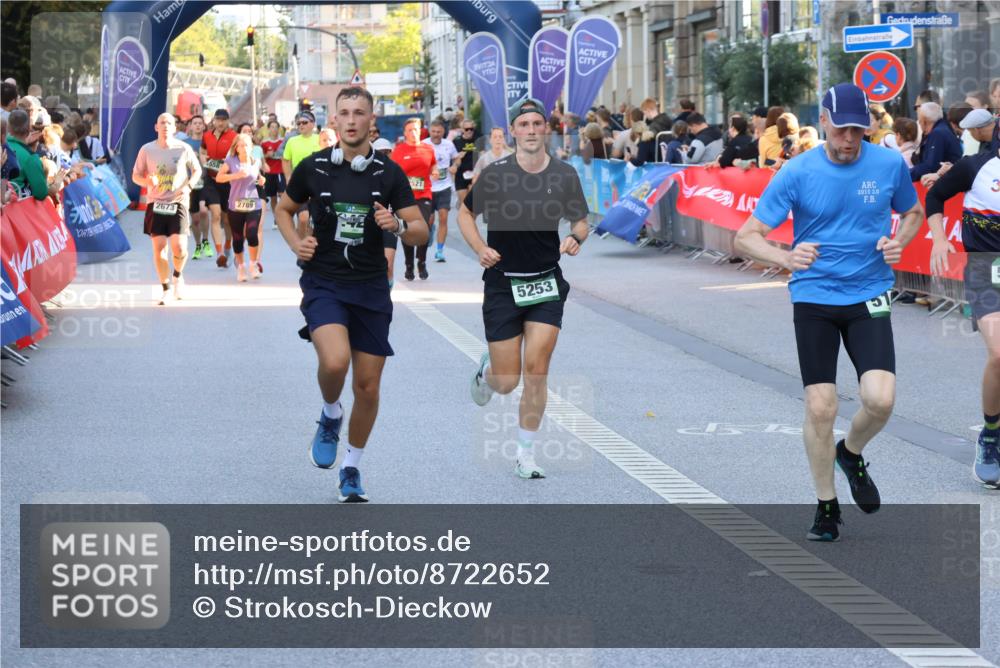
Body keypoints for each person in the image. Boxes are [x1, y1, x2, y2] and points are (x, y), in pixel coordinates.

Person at [734, 83, 925, 542]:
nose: (849, 139)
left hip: (869, 293)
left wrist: (900, 242)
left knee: (880, 400)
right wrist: (785, 258)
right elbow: (746, 236)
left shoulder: (887, 163)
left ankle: (851, 451)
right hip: (815, 296)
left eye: (858, 130)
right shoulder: (797, 171)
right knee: (821, 405)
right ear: (823, 121)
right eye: (841, 130)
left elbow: (914, 212)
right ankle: (826, 505)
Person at [273, 87, 429, 503]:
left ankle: (352, 467)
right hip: (324, 281)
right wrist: (295, 244)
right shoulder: (314, 167)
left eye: (360, 112)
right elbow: (283, 210)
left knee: (367, 386)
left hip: (371, 287)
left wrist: (395, 224)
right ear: (335, 121)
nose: (353, 119)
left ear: (371, 120)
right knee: (335, 360)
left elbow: (420, 230)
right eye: (345, 112)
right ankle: (329, 413)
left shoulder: (389, 173)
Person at [459, 98, 590, 480]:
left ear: (544, 129)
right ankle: (488, 371)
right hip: (503, 284)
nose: (531, 130)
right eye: (524, 124)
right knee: (506, 382)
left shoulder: (564, 175)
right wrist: (480, 248)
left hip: (546, 282)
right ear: (513, 131)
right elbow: (467, 213)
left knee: (537, 369)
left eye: (537, 123)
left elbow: (581, 221)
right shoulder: (497, 174)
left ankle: (526, 454)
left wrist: (575, 237)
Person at [925, 142, 1000, 485]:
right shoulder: (976, 166)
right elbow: (935, 196)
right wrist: (939, 238)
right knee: (999, 354)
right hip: (987, 272)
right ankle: (990, 434)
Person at [132, 113, 202, 305]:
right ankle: (165, 288)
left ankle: (178, 276)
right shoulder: (146, 150)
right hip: (155, 203)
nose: (165, 126)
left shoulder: (184, 148)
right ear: (156, 127)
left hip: (178, 202)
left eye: (169, 123)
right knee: (160, 249)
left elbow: (197, 171)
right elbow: (135, 176)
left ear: (175, 128)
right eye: (162, 123)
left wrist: (188, 187)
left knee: (180, 248)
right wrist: (146, 181)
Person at [390, 117, 437, 281]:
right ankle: (409, 264)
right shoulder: (399, 150)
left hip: (424, 194)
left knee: (424, 228)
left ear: (420, 131)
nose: (413, 133)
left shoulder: (428, 149)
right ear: (405, 133)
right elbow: (392, 173)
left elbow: (433, 166)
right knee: (407, 229)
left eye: (415, 129)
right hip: (404, 197)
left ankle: (421, 261)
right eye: (409, 130)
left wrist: (436, 171)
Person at [215, 133, 266, 282]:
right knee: (237, 238)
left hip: (253, 203)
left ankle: (253, 264)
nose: (244, 148)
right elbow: (219, 177)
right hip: (235, 205)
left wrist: (262, 180)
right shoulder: (230, 161)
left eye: (247, 145)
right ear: (236, 148)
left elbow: (258, 177)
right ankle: (242, 267)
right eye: (241, 145)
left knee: (251, 234)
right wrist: (235, 176)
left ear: (252, 147)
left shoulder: (256, 161)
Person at [201, 109, 238, 267]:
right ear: (214, 120)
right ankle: (220, 253)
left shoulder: (234, 137)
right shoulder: (207, 135)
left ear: (228, 121)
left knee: (227, 219)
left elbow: (239, 156)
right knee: (215, 215)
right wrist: (204, 161)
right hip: (211, 180)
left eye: (224, 120)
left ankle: (228, 247)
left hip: (229, 182)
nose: (221, 123)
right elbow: (202, 151)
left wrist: (227, 161)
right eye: (218, 120)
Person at [423, 119, 461, 263]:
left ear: (443, 132)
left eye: (439, 132)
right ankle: (430, 228)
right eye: (434, 131)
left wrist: (455, 166)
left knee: (443, 218)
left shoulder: (448, 144)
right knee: (429, 220)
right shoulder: (424, 144)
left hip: (444, 186)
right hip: (428, 188)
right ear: (430, 131)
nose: (436, 134)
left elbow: (456, 159)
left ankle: (439, 251)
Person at [282, 110, 322, 237]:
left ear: (313, 124)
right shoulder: (292, 141)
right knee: (303, 217)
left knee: (317, 219)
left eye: (304, 122)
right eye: (298, 123)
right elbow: (286, 160)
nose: (301, 125)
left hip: (319, 185)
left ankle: (310, 242)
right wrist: (288, 177)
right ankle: (300, 245)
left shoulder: (321, 139)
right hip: (300, 184)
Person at [5, 109, 57, 201]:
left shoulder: (3, 145)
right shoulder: (30, 158)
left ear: (8, 127)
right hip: (15, 209)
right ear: (29, 129)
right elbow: (41, 193)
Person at [180, 115, 210, 260]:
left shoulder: (208, 141)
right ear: (190, 126)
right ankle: (198, 244)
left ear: (204, 126)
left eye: (200, 123)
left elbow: (214, 160)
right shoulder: (184, 144)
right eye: (195, 123)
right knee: (195, 219)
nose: (198, 126)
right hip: (190, 183)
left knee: (204, 211)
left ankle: (205, 240)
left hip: (206, 181)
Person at [372, 137, 401, 286]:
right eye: (380, 152)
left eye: (387, 152)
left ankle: (385, 295)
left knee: (388, 266)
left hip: (389, 225)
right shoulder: (365, 174)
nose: (384, 155)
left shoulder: (396, 174)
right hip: (368, 227)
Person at [910, 102, 962, 181]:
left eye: (919, 121)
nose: (919, 124)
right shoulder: (942, 129)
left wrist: (906, 174)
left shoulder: (938, 134)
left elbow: (930, 166)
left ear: (924, 121)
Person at [452, 119, 481, 229]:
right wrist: (458, 158)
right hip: (461, 174)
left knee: (472, 202)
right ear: (462, 130)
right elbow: (454, 160)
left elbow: (484, 153)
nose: (469, 131)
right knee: (464, 202)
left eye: (471, 129)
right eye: (466, 129)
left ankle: (470, 223)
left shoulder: (478, 139)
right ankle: (465, 216)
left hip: (475, 173)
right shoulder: (457, 141)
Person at [261, 120, 285, 230]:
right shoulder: (264, 143)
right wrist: (267, 155)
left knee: (282, 194)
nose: (274, 129)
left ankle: (282, 217)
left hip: (280, 171)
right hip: (270, 172)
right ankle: (276, 218)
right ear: (269, 129)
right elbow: (261, 158)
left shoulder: (283, 141)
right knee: (273, 197)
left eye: (276, 127)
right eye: (272, 127)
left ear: (278, 129)